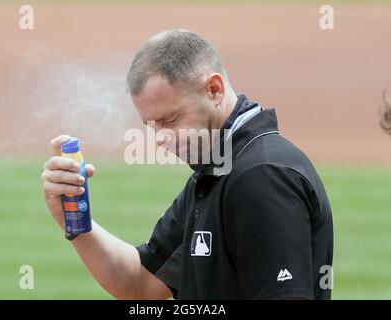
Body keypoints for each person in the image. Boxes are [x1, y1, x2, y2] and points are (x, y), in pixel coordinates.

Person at [41, 29, 333, 299]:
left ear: (214, 90)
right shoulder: (217, 172)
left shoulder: (262, 176)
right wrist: (75, 221)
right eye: (151, 125)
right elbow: (141, 283)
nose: (160, 139)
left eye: (170, 120)